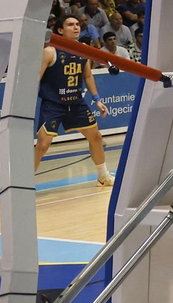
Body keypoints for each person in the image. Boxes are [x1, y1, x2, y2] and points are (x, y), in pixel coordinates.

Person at [33, 16, 114, 186]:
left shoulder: (84, 49)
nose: (76, 27)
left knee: (96, 138)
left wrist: (97, 100)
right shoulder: (49, 51)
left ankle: (103, 176)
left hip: (76, 103)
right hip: (53, 104)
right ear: (60, 30)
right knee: (43, 144)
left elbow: (88, 75)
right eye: (70, 24)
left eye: (77, 24)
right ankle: (23, 182)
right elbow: (35, 79)